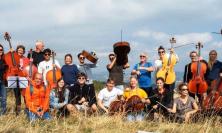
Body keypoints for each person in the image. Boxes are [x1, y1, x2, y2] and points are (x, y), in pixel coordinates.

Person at [13, 45, 30, 115]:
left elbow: (29, 69)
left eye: (22, 50)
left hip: (24, 79)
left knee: (25, 96)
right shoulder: (13, 58)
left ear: (23, 52)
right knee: (17, 96)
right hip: (16, 78)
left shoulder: (26, 59)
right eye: (19, 50)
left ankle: (27, 110)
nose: (20, 51)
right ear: (17, 50)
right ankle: (18, 112)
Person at [0, 44, 7, 115]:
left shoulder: (4, 59)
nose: (0, 51)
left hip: (2, 81)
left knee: (4, 99)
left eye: (1, 50)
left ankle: (3, 114)